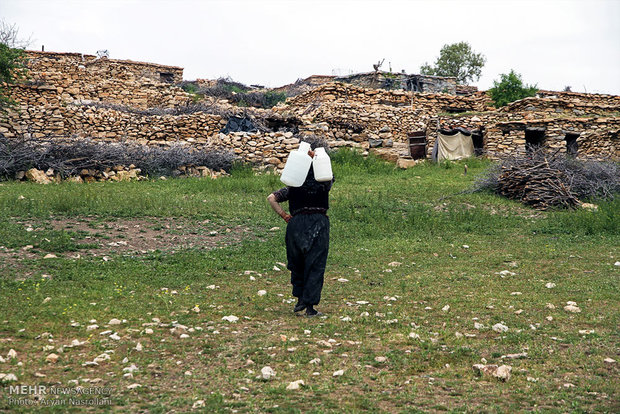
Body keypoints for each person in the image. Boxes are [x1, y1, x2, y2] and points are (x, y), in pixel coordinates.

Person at [267, 143, 334, 317]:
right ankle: (310, 307)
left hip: (296, 224)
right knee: (315, 264)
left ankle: (300, 300)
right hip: (319, 223)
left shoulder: (293, 186)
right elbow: (329, 179)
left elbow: (271, 198)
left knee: (297, 263)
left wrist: (284, 215)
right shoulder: (324, 184)